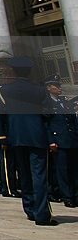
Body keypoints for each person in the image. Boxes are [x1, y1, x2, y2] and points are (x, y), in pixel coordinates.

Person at [0, 56, 56, 226]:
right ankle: (42, 214)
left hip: (16, 136)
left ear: (13, 71)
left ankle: (29, 209)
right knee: (39, 175)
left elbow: (0, 115)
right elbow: (48, 113)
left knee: (24, 174)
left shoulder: (4, 90)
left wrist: (3, 135)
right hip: (37, 136)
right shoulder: (40, 90)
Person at [46, 77, 77, 208]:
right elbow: (46, 124)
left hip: (70, 140)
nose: (59, 88)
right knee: (62, 170)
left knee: (74, 169)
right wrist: (51, 141)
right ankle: (67, 196)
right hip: (58, 140)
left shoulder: (63, 102)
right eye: (56, 85)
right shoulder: (47, 104)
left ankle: (75, 195)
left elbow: (71, 121)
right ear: (48, 88)